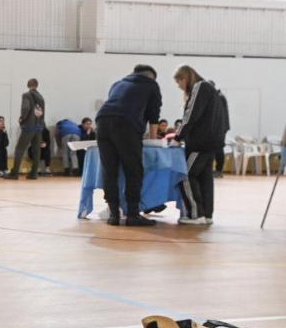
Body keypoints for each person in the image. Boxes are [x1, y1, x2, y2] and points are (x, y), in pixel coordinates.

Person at [95, 64, 163, 227]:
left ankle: (113, 214)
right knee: (133, 169)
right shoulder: (151, 84)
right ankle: (132, 214)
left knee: (109, 169)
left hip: (102, 121)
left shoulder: (117, 84)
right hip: (126, 124)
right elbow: (154, 115)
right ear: (151, 76)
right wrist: (153, 140)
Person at [174, 66, 228, 225]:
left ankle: (196, 214)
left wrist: (178, 137)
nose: (180, 87)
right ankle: (207, 215)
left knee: (184, 175)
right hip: (212, 143)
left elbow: (190, 115)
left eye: (179, 83)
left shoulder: (199, 86)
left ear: (184, 78)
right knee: (205, 179)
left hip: (200, 143)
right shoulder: (212, 91)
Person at [6, 78, 45, 180]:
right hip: (39, 127)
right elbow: (42, 113)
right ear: (37, 85)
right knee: (36, 151)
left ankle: (14, 173)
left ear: (28, 85)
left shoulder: (26, 95)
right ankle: (33, 173)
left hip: (29, 126)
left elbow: (25, 108)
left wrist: (22, 119)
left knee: (19, 149)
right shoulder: (41, 97)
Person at [214, 93, 231, 178]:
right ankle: (217, 170)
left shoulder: (219, 97)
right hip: (220, 127)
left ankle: (219, 170)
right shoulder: (219, 96)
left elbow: (218, 114)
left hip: (220, 127)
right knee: (216, 148)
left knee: (218, 148)